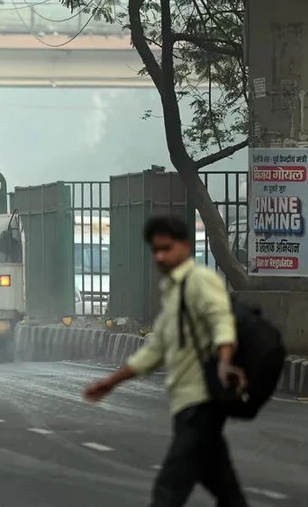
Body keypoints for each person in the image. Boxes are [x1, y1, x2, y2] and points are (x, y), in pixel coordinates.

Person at [84, 215, 248, 507]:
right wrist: (110, 383)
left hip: (202, 403)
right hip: (187, 404)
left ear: (185, 246)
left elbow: (222, 324)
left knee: (168, 490)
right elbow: (154, 350)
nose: (160, 257)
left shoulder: (201, 281)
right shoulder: (174, 290)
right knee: (227, 491)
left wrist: (224, 361)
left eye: (167, 248)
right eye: (156, 250)